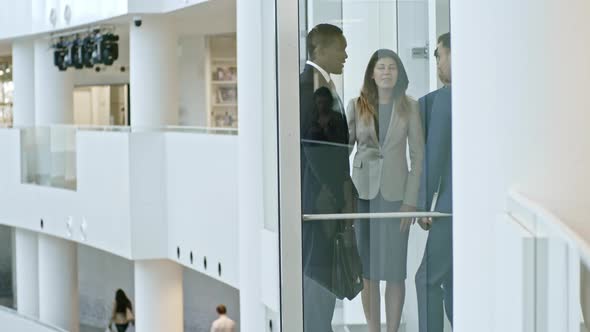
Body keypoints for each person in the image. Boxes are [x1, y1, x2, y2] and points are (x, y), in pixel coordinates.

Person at [346, 49, 423, 332]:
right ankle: (373, 329)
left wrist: (410, 202)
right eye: (381, 67)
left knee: (394, 270)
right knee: (368, 271)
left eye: (392, 67)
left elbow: (418, 157)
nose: (387, 72)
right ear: (372, 73)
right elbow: (343, 148)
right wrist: (346, 199)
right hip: (364, 196)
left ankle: (392, 329)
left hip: (396, 198)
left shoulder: (410, 107)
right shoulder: (357, 105)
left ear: (398, 73)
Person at [300, 23, 356, 332]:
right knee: (318, 271)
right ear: (320, 50)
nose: (345, 55)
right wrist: (336, 193)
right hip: (319, 199)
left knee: (321, 273)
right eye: (341, 48)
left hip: (324, 198)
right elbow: (314, 146)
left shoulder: (320, 83)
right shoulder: (309, 85)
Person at [415, 32, 453, 332]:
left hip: (450, 210)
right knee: (453, 282)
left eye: (438, 55)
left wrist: (422, 206)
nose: (438, 63)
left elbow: (435, 156)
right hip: (476, 208)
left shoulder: (448, 96)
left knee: (426, 279)